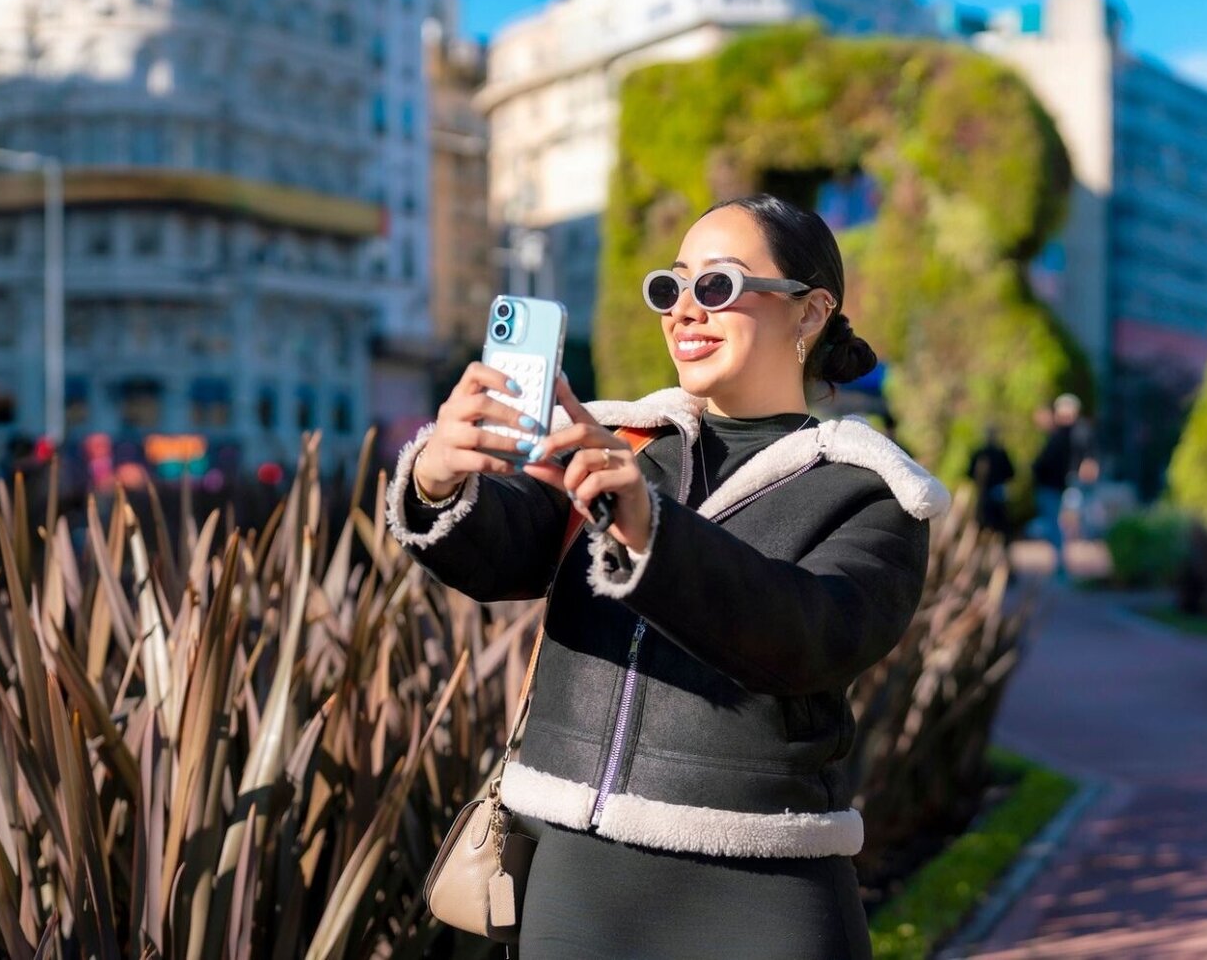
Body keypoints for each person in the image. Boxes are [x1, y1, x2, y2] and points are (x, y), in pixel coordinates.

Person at [387, 194, 949, 959]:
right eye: (670, 287)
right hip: (575, 884)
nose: (685, 310)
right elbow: (502, 547)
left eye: (716, 286)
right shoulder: (625, 441)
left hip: (761, 888)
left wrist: (647, 525)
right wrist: (438, 474)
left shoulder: (872, 489)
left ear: (811, 312)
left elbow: (804, 637)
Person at [1030, 393, 1087, 551]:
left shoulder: (1074, 434)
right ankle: (1062, 558)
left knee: (1065, 522)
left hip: (1063, 484)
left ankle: (1064, 561)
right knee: (1057, 522)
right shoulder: (1058, 435)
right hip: (1054, 484)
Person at [966, 425, 1015, 537]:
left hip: (985, 491)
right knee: (1000, 522)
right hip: (996, 490)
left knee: (984, 520)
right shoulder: (1000, 453)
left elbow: (970, 473)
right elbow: (1011, 473)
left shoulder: (979, 453)